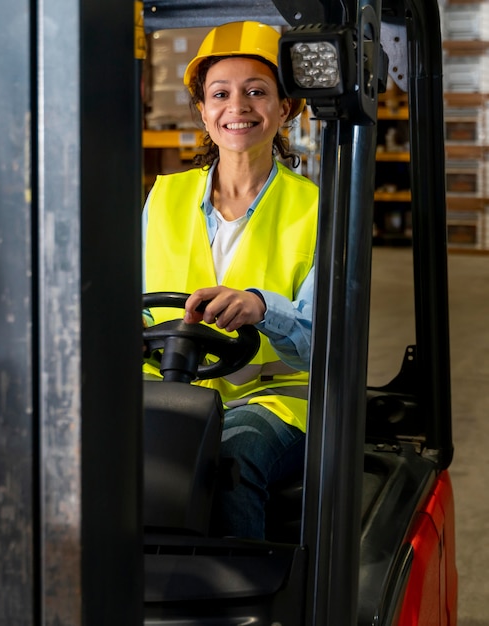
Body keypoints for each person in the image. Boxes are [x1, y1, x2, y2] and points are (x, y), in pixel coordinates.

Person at [142, 21, 318, 540]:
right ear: (203, 110)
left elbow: (321, 342)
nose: (237, 107)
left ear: (285, 109)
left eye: (257, 92)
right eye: (221, 93)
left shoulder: (316, 208)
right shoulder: (164, 197)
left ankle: (241, 602)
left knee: (228, 460)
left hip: (273, 398)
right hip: (168, 386)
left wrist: (264, 309)